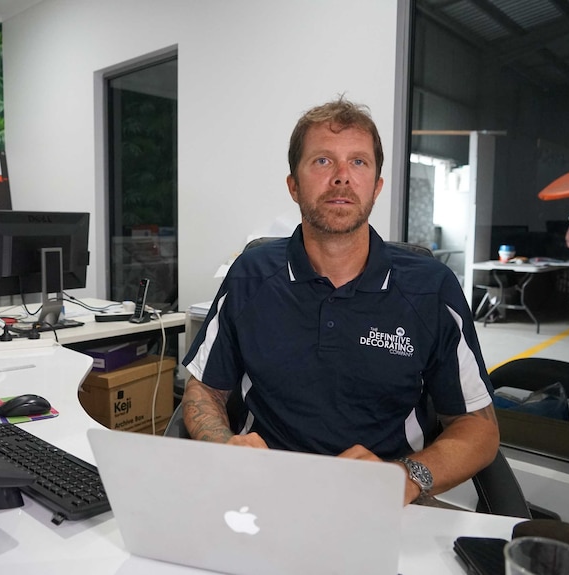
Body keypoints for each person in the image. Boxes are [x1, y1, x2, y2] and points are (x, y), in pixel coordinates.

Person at [181, 97, 499, 506]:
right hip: (261, 494)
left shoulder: (430, 288)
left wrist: (404, 477)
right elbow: (203, 390)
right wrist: (225, 445)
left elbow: (478, 425)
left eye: (359, 163)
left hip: (385, 498)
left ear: (377, 187)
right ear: (294, 185)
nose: (342, 177)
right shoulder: (251, 274)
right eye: (323, 162)